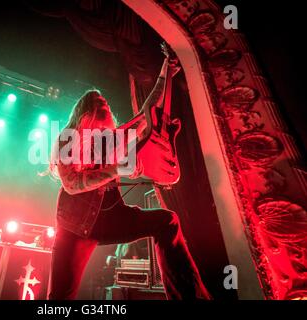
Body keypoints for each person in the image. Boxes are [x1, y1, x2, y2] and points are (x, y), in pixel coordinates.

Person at [47, 56, 211, 300]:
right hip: (75, 226)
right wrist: (117, 170)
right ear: (84, 111)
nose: (102, 100)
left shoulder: (115, 137)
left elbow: (148, 112)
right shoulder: (68, 138)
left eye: (104, 100)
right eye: (96, 100)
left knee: (167, 221)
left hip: (113, 218)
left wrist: (166, 72)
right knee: (59, 298)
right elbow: (72, 184)